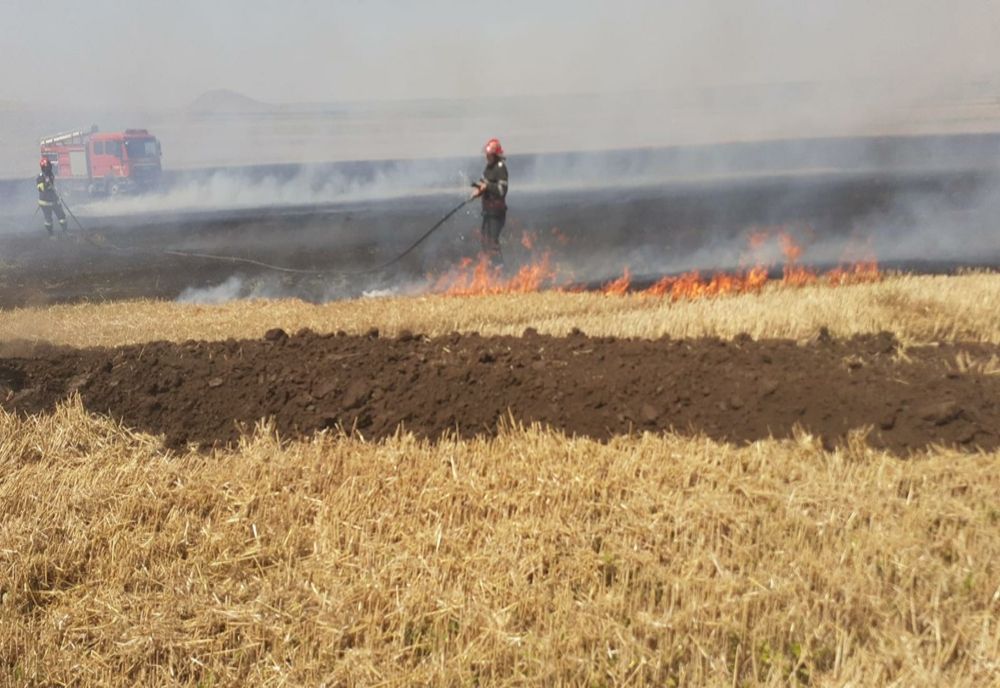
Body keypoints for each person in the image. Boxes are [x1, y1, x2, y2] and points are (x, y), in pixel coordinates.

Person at [471, 138, 509, 267]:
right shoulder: (488, 168)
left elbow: (502, 190)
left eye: (489, 155)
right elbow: (483, 183)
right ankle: (490, 268)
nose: (487, 157)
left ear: (495, 155)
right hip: (487, 211)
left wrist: (487, 187)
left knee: (493, 241)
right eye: (486, 155)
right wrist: (478, 191)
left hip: (497, 213)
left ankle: (500, 269)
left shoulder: (500, 168)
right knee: (484, 241)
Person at [37, 157, 67, 235]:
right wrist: (46, 183)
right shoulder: (40, 177)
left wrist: (57, 193)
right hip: (45, 202)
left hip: (54, 199)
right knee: (48, 219)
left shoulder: (51, 175)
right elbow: (40, 188)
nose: (50, 167)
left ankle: (65, 231)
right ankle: (51, 234)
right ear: (45, 167)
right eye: (49, 166)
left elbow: (53, 186)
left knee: (61, 216)